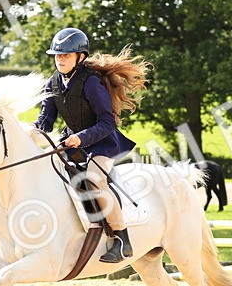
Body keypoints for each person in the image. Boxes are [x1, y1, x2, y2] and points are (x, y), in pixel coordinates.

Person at [34, 27, 147, 264]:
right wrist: (32, 132)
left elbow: (108, 122)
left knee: (95, 179)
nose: (60, 59)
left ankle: (120, 238)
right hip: (72, 143)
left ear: (80, 57)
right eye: (57, 54)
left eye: (65, 54)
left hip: (102, 143)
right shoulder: (53, 83)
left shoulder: (91, 83)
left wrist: (82, 138)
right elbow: (46, 119)